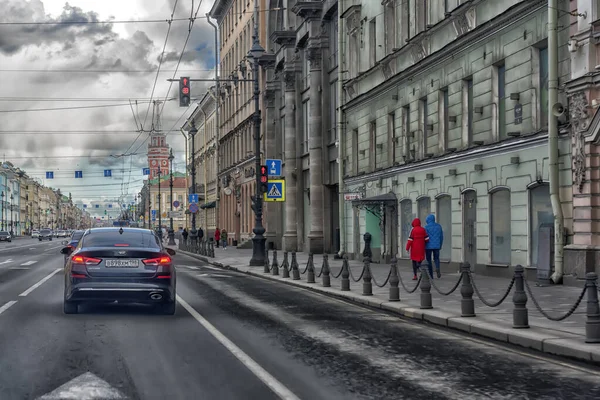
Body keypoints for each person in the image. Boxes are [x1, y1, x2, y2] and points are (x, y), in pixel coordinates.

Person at [425, 214, 444, 278]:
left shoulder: (426, 227)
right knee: (436, 258)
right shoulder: (439, 226)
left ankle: (431, 274)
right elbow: (441, 237)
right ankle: (437, 268)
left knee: (429, 260)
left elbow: (425, 237)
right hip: (437, 246)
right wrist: (440, 245)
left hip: (428, 246)